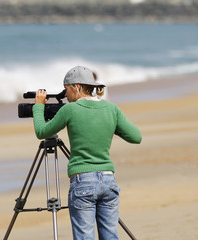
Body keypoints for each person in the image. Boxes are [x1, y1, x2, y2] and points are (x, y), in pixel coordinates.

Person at [32, 66, 142, 240]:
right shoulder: (112, 109)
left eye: (66, 90)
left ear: (76, 87)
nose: (66, 96)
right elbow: (136, 137)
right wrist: (111, 127)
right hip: (108, 181)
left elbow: (41, 132)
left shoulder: (70, 110)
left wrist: (38, 107)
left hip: (83, 182)